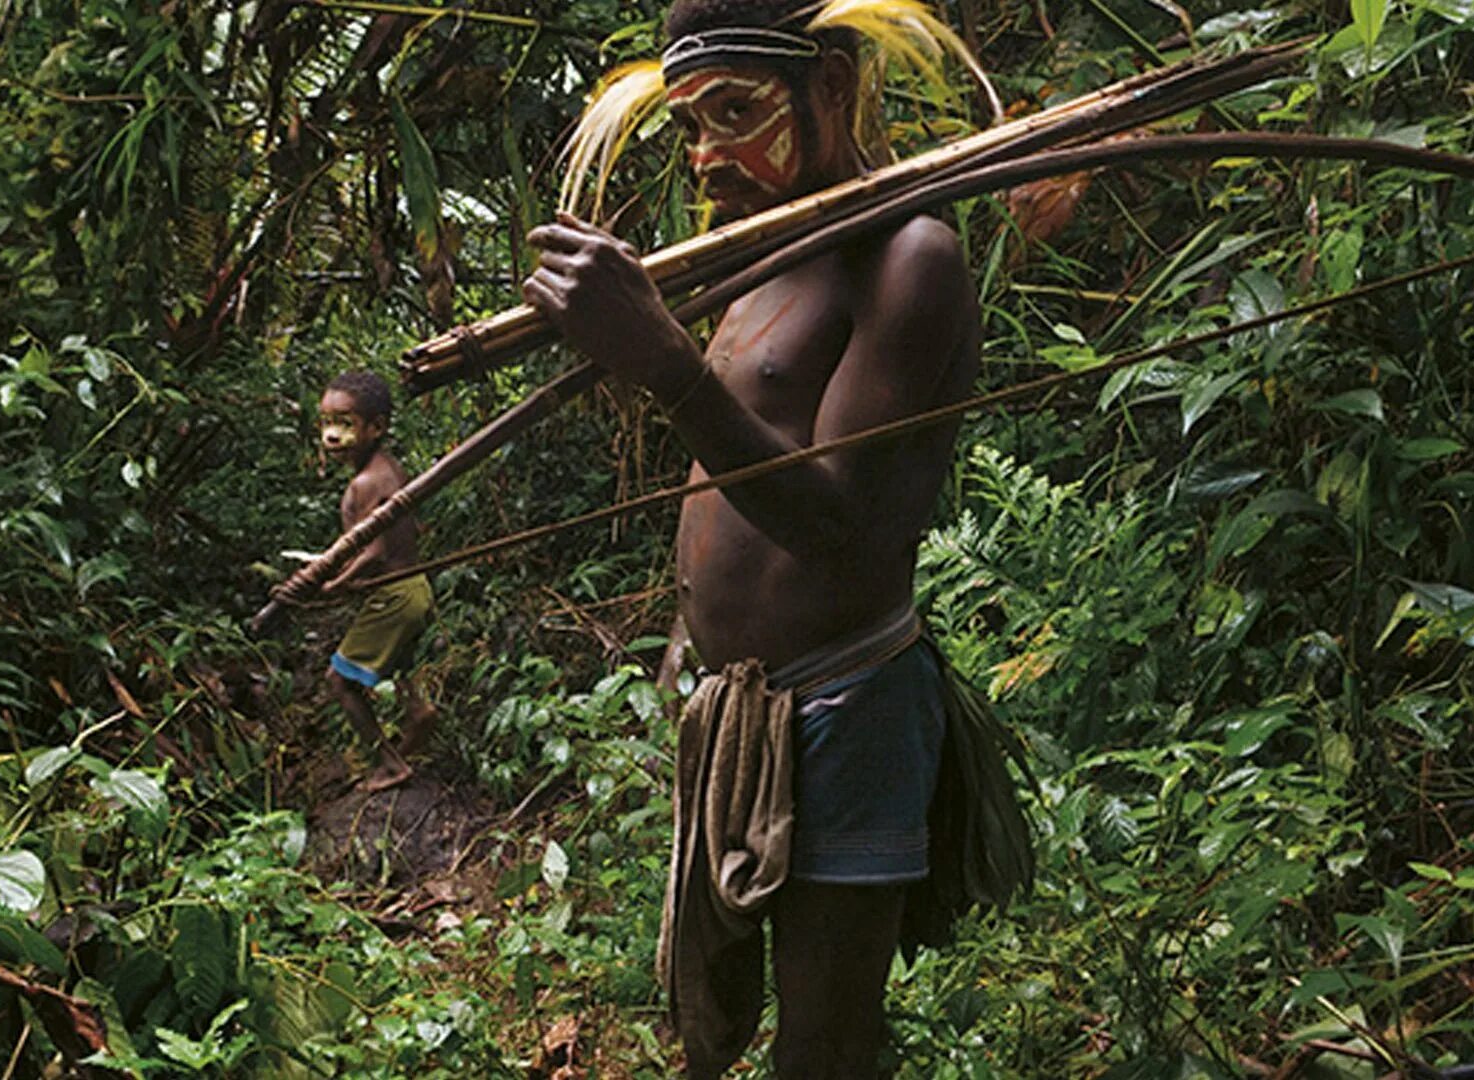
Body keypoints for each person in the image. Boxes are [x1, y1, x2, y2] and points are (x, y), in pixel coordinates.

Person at [521, 1, 1023, 1075]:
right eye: (688, 128)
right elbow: (730, 468)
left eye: (736, 115)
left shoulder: (909, 257)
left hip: (848, 701)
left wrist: (661, 360)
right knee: (740, 1029)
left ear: (831, 89)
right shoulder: (756, 260)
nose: (706, 159)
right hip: (741, 706)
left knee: (826, 1040)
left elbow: (841, 525)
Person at [313, 371, 438, 793]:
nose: (332, 436)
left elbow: (374, 553)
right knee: (396, 661)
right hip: (414, 587)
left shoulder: (367, 482)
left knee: (340, 680)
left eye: (345, 424)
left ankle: (390, 764)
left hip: (395, 594)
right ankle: (417, 712)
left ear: (377, 427)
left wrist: (337, 585)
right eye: (326, 423)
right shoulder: (387, 469)